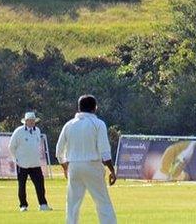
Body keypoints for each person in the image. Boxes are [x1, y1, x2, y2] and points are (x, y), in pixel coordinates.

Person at [55, 95, 118, 224]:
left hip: (74, 166)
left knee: (72, 204)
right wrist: (112, 170)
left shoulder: (69, 125)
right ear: (95, 108)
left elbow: (59, 151)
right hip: (92, 165)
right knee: (102, 202)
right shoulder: (98, 124)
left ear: (79, 108)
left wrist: (65, 167)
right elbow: (104, 151)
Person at [9, 111, 51, 212]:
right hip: (22, 164)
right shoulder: (19, 131)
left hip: (35, 163)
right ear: (26, 121)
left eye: (33, 120)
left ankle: (43, 204)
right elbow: (11, 146)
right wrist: (16, 159)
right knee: (22, 185)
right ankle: (23, 205)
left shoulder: (37, 130)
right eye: (30, 120)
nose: (32, 122)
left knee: (40, 184)